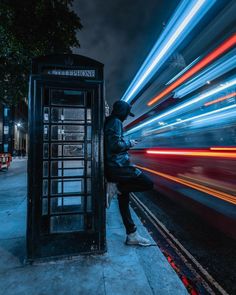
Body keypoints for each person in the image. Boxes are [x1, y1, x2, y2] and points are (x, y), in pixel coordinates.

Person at [104, 100, 154, 246]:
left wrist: (126, 142)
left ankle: (131, 234)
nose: (127, 117)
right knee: (147, 183)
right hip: (119, 167)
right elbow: (114, 146)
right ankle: (117, 188)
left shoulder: (110, 121)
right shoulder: (116, 122)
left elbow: (111, 142)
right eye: (126, 114)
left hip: (113, 166)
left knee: (124, 200)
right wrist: (129, 144)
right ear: (122, 112)